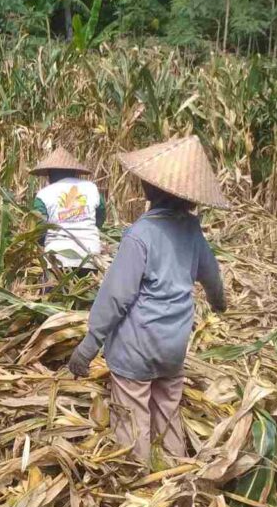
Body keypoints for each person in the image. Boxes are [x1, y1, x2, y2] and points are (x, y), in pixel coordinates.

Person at [65, 136, 228, 466]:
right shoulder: (192, 234)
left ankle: (137, 478)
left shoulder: (140, 236)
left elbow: (115, 297)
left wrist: (88, 347)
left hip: (136, 350)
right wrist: (218, 301)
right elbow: (212, 277)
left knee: (131, 417)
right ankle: (175, 474)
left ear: (152, 189)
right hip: (173, 348)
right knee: (167, 410)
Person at [31, 148, 105, 278]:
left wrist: (41, 243)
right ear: (75, 172)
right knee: (86, 296)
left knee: (52, 296)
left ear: (49, 173)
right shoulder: (92, 188)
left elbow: (40, 228)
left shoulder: (43, 194)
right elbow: (100, 215)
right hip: (89, 255)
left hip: (57, 257)